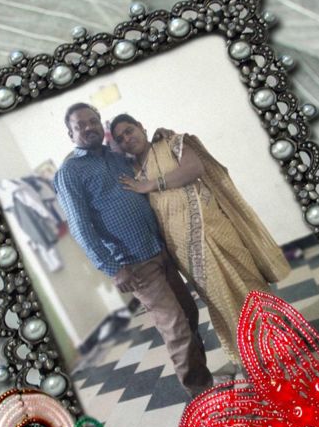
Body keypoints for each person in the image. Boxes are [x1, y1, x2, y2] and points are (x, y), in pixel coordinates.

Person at [53, 103, 213, 397]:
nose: (88, 127)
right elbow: (79, 226)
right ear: (70, 134)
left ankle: (204, 380)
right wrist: (113, 269)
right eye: (80, 125)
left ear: (100, 124)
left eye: (92, 121)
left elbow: (146, 155)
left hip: (160, 248)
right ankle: (202, 395)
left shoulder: (117, 157)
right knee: (175, 326)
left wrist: (161, 137)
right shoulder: (69, 172)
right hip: (134, 264)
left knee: (189, 313)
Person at [110, 114, 290, 364]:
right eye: (120, 138)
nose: (127, 139)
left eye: (129, 130)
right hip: (183, 247)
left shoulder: (171, 143)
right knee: (219, 298)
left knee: (249, 280)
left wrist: (151, 185)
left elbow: (194, 168)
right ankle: (252, 354)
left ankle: (280, 339)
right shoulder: (130, 172)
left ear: (141, 127)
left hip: (215, 228)